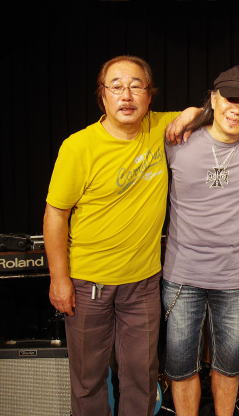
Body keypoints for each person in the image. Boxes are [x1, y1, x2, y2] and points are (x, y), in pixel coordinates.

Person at [44, 55, 182, 416]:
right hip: (88, 283)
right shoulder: (79, 147)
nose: (127, 95)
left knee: (142, 376)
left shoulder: (159, 127)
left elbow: (211, 113)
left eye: (136, 86)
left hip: (143, 283)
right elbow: (56, 214)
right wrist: (59, 278)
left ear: (149, 95)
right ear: (102, 96)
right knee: (88, 379)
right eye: (116, 86)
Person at [161, 65, 239, 416]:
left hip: (232, 279)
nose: (236, 109)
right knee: (181, 367)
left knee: (228, 365)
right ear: (213, 98)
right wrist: (189, 113)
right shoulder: (177, 140)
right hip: (182, 276)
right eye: (229, 98)